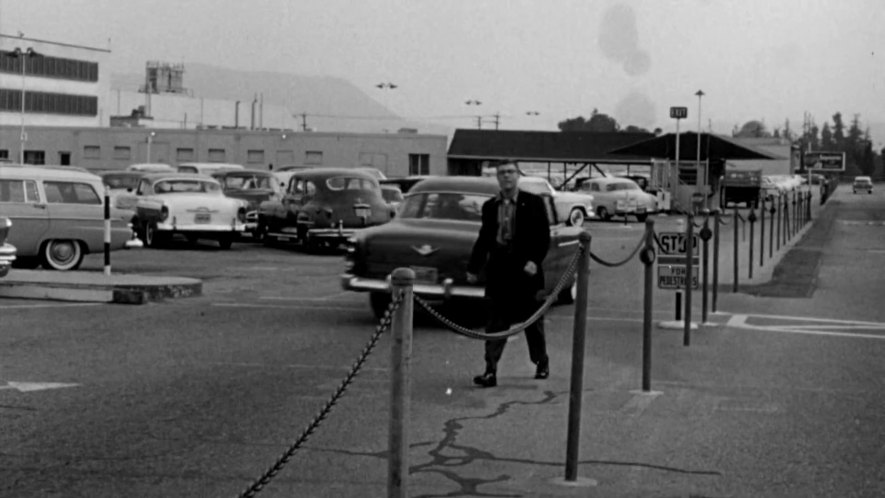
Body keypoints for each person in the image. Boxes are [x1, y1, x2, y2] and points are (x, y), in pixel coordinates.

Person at [466, 162, 551, 388]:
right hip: (499, 274)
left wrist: (534, 261)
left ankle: (541, 361)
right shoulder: (490, 207)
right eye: (502, 173)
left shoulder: (533, 203)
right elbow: (484, 238)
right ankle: (490, 371)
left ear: (518, 176)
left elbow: (543, 236)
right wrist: (473, 268)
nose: (506, 177)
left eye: (510, 172)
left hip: (525, 273)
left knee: (532, 324)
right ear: (497, 178)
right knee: (495, 324)